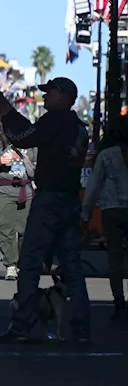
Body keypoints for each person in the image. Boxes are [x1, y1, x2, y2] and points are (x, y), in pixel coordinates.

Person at [0, 78, 91, 344]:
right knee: (72, 266)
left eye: (49, 93)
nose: (44, 98)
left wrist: (6, 112)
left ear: (63, 96)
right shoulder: (77, 126)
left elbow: (26, 138)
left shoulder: (55, 119)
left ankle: (22, 324)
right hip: (68, 199)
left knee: (30, 262)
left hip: (50, 200)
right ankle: (81, 329)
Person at [83, 119, 129, 318]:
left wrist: (85, 213)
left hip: (112, 209)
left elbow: (93, 187)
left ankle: (118, 301)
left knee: (115, 257)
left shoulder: (106, 155)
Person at [0, 130, 36, 282]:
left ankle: (21, 262)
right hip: (3, 192)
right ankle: (11, 265)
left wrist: (28, 162)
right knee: (5, 230)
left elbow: (40, 168)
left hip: (26, 192)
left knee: (26, 230)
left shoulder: (31, 147)